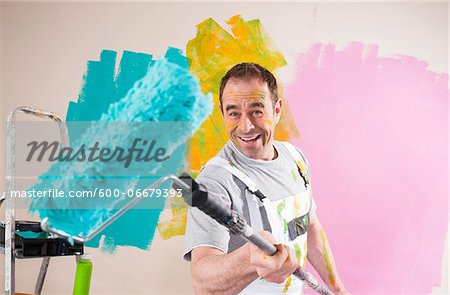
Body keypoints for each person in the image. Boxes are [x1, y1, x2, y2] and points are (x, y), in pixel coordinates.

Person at [183, 63, 348, 294]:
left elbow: (309, 226)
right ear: (223, 113)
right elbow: (202, 282)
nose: (246, 126)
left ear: (277, 109)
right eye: (233, 113)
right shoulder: (215, 181)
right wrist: (250, 259)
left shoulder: (295, 159)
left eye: (256, 111)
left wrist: (338, 289)